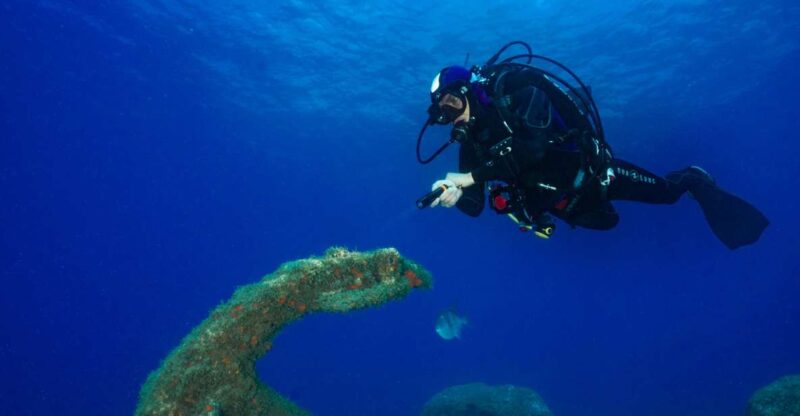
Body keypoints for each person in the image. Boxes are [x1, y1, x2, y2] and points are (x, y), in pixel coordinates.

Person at [416, 41, 768, 249]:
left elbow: (534, 148)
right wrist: (453, 192)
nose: (450, 117)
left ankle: (691, 178)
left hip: (597, 173)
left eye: (452, 104)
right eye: (441, 113)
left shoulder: (519, 92)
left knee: (667, 194)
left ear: (471, 93)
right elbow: (475, 203)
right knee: (608, 223)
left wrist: (472, 177)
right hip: (564, 202)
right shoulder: (474, 142)